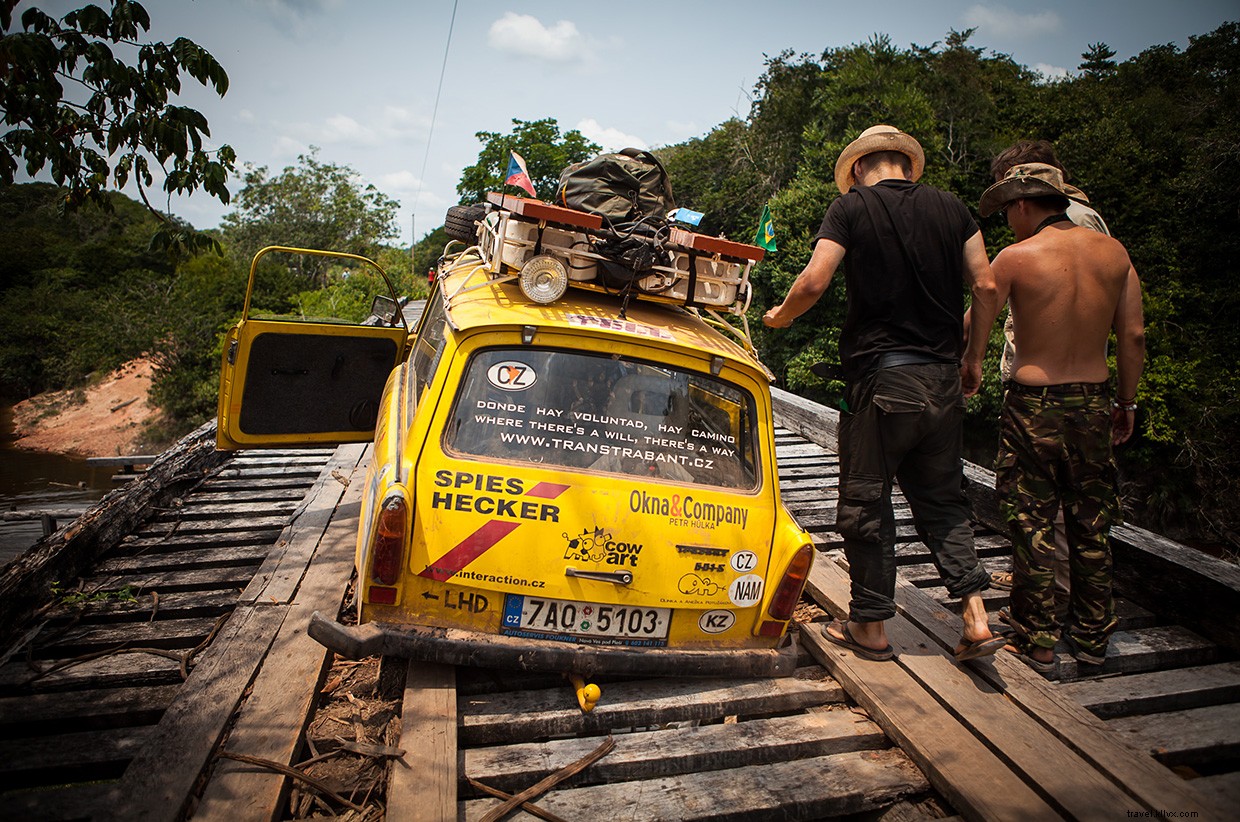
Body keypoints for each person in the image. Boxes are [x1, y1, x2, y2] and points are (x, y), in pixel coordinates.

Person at [763, 124, 1008, 663]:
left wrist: (781, 316)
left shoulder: (850, 208)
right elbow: (987, 286)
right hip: (942, 379)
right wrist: (972, 359)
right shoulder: (953, 207)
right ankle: (975, 615)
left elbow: (813, 281)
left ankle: (870, 626)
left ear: (857, 168)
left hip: (884, 380)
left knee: (866, 499)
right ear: (906, 164)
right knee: (944, 499)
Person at [978, 162, 1145, 673]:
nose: (1009, 221)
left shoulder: (1015, 258)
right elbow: (1133, 336)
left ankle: (1039, 640)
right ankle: (1092, 638)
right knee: (1092, 522)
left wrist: (969, 364)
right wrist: (1125, 402)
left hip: (1033, 404)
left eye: (1008, 212)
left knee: (1031, 521)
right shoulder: (1114, 253)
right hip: (1094, 400)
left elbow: (978, 319)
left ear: (1022, 204)